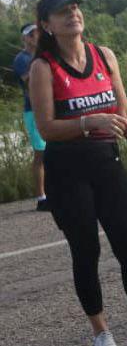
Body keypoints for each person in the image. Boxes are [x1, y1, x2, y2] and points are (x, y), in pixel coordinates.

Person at [28, 0, 127, 346]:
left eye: (75, 8)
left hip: (107, 164)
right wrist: (87, 121)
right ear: (47, 24)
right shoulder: (44, 67)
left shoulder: (103, 56)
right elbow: (46, 128)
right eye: (62, 12)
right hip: (67, 172)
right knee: (86, 251)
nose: (72, 14)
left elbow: (124, 109)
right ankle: (101, 333)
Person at [12, 23, 49, 211]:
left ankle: (55, 191)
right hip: (33, 111)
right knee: (40, 154)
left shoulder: (44, 55)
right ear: (25, 38)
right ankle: (42, 198)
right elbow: (31, 82)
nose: (35, 36)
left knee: (55, 151)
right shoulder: (22, 59)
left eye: (37, 33)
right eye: (31, 34)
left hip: (49, 110)